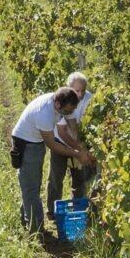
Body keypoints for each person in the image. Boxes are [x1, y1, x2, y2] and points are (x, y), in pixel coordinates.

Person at [10, 87, 94, 234]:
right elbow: (53, 145)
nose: (69, 113)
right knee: (31, 188)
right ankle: (36, 230)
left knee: (33, 184)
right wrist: (77, 154)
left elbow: (66, 129)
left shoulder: (58, 101)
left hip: (36, 141)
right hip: (27, 144)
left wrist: (80, 149)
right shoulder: (44, 114)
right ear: (57, 104)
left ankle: (26, 220)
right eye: (67, 111)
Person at [46, 72, 95, 220]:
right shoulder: (63, 99)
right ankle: (52, 211)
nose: (79, 94)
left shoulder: (90, 99)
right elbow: (63, 132)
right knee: (56, 177)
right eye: (76, 90)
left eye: (82, 90)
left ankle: (77, 209)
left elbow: (80, 126)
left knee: (79, 178)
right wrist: (77, 150)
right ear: (68, 87)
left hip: (79, 142)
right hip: (60, 142)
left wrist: (80, 148)